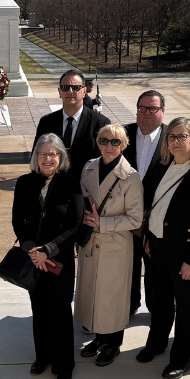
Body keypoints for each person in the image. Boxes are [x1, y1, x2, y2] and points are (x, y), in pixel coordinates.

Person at [137, 117, 190, 379]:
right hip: (157, 247)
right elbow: (155, 208)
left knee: (187, 308)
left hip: (184, 255)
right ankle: (156, 343)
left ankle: (182, 359)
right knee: (159, 302)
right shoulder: (163, 167)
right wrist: (149, 238)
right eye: (171, 137)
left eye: (181, 136)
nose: (175, 141)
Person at [12, 134, 84, 379]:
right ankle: (42, 356)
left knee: (60, 310)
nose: (48, 158)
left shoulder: (71, 184)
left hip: (59, 261)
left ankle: (64, 363)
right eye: (43, 153)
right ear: (35, 157)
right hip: (33, 260)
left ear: (61, 157)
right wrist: (32, 250)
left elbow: (76, 226)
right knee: (39, 308)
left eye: (53, 153)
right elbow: (18, 222)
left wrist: (49, 250)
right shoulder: (23, 183)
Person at [75, 124, 143, 366]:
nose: (109, 146)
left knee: (112, 297)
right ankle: (99, 337)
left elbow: (135, 218)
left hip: (115, 244)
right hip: (91, 243)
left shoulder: (131, 176)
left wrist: (103, 223)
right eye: (104, 140)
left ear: (124, 145)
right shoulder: (89, 166)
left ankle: (113, 343)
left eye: (115, 142)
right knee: (92, 292)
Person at [121, 90, 169, 316]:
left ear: (162, 111)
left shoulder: (173, 138)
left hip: (158, 222)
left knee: (155, 271)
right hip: (124, 220)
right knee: (126, 269)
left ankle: (156, 311)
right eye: (142, 108)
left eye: (153, 108)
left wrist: (147, 220)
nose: (147, 113)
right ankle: (128, 306)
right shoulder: (122, 135)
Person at [33, 68, 111, 177]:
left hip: (86, 189)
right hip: (52, 188)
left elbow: (107, 162)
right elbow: (36, 159)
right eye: (65, 87)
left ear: (84, 91)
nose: (70, 91)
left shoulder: (100, 123)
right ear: (59, 92)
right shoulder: (46, 122)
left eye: (75, 88)